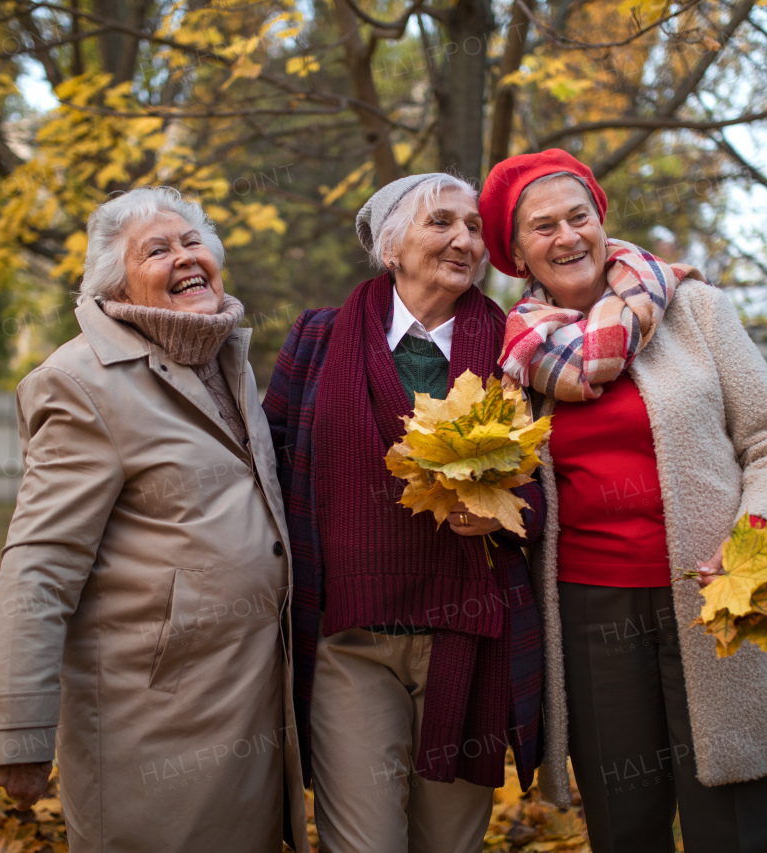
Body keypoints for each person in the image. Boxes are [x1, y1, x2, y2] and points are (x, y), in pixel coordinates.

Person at [479, 150, 767, 853]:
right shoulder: (515, 355)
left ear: (602, 221)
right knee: (624, 819)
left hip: (715, 590)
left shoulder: (695, 309)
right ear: (517, 253)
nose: (568, 236)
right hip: (590, 608)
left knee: (734, 815)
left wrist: (755, 537)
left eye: (580, 216)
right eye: (544, 227)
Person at [0, 187, 308, 853]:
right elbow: (40, 561)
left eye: (192, 242)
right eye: (157, 250)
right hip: (156, 717)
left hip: (251, 696)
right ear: (116, 282)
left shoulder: (223, 359)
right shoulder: (81, 382)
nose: (184, 257)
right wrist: (17, 728)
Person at [263, 173, 545, 853]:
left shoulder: (520, 345)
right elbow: (267, 473)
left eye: (474, 227)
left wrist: (512, 512)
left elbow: (555, 477)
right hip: (349, 639)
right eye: (440, 222)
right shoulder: (316, 339)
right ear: (391, 246)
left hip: (470, 635)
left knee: (450, 846)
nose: (464, 240)